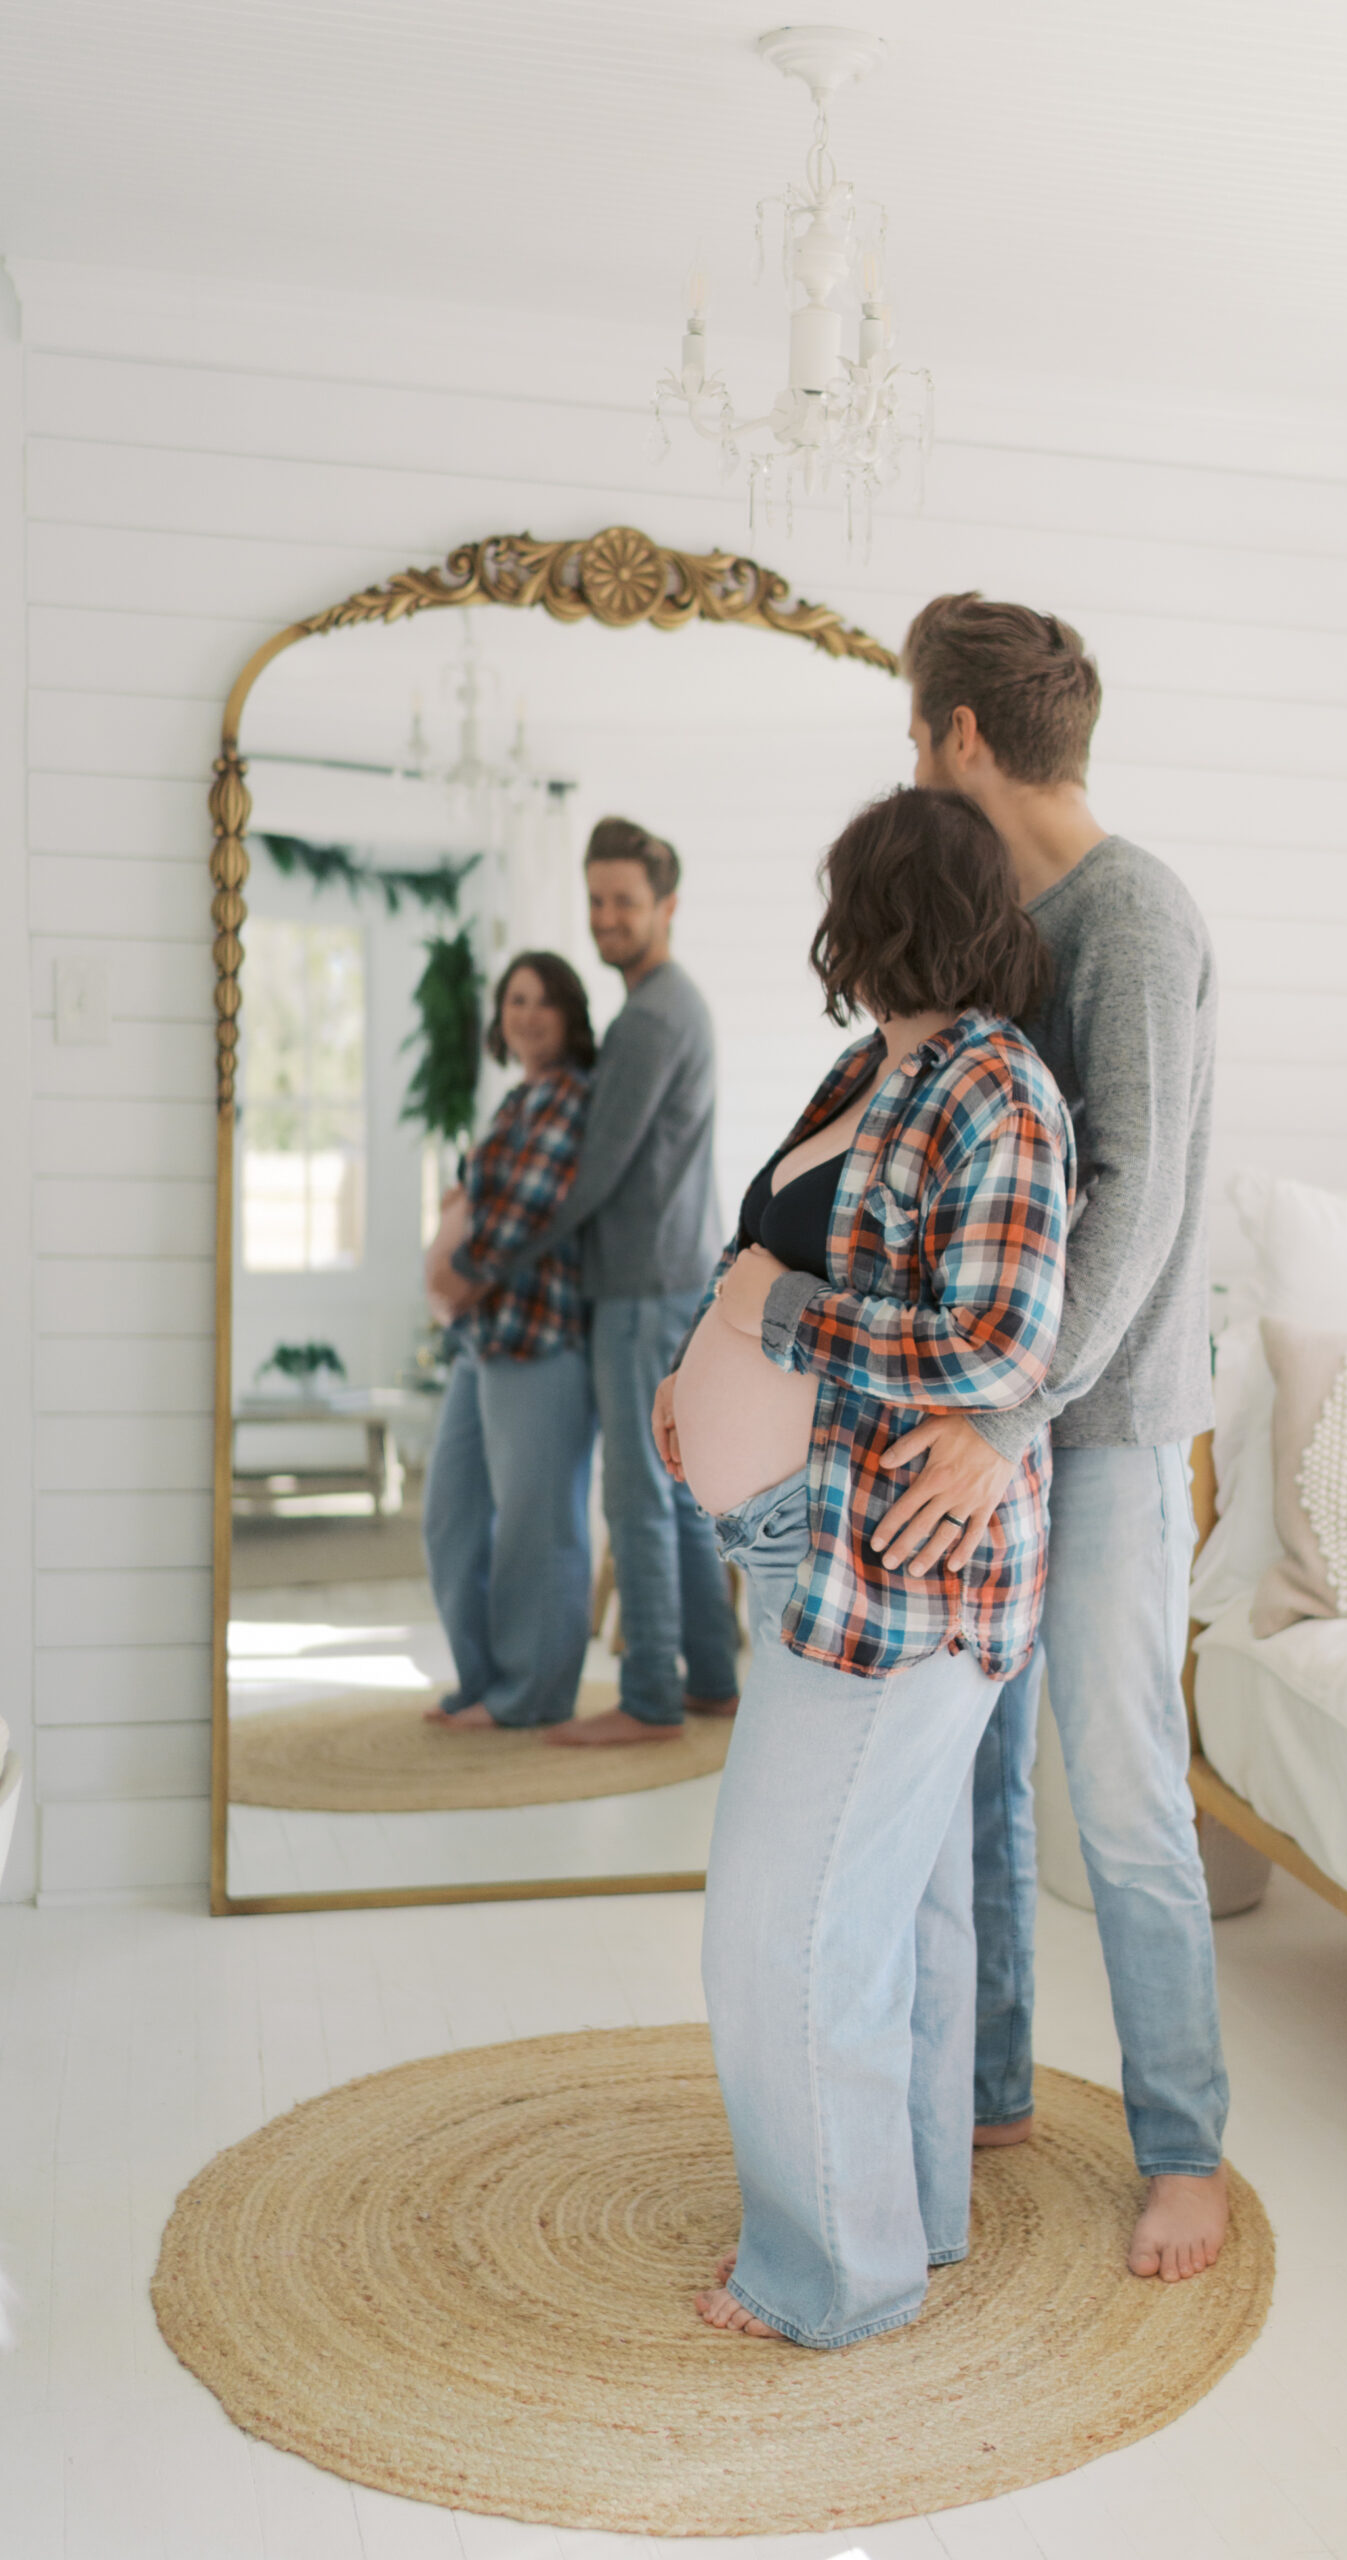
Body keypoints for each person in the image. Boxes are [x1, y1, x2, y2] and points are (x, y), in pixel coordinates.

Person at [655, 786, 1073, 2349]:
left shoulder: (997, 1091)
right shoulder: (870, 1066)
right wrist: (707, 1335)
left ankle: (831, 2275)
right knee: (891, 1915)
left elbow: (992, 1346)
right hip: (812, 1549)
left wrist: (763, 1319)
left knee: (780, 1928)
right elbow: (770, 1240)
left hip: (902, 1580)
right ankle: (912, 2222)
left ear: (877, 912)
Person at [868, 593, 1232, 2285]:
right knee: (985, 1775)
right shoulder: (1013, 912)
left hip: (1101, 1439)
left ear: (957, 736)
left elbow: (1135, 1205)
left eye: (909, 730)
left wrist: (1009, 1416)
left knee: (1125, 1797)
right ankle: (993, 2082)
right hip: (1009, 1435)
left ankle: (1184, 2153)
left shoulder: (1131, 917)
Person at [444, 817, 740, 1745]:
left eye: (625, 901)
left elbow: (591, 1176)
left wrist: (483, 1266)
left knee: (636, 1495)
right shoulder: (662, 1006)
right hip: (668, 1276)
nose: (608, 916)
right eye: (597, 900)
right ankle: (713, 1678)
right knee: (673, 1486)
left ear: (667, 907)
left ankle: (651, 1698)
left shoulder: (652, 1016)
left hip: (640, 1283)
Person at [420, 952, 598, 1730]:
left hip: (539, 1338)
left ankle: (532, 1696)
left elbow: (527, 1209)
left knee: (538, 1525)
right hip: (484, 1338)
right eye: (515, 1000)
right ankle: (484, 1679)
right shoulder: (518, 1099)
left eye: (544, 1002)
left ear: (570, 1015)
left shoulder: (569, 1098)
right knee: (451, 1511)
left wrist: (461, 1273)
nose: (527, 1014)